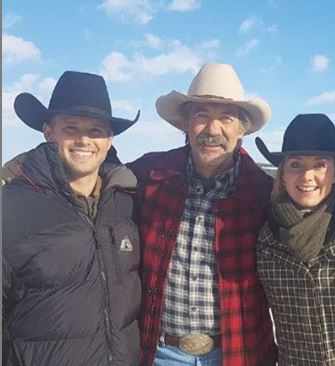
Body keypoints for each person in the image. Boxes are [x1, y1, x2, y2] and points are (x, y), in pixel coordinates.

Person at [127, 63, 277, 366]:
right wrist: (26, 166)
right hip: (160, 353)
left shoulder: (264, 192)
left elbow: (312, 206)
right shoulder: (149, 176)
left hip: (237, 353)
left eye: (226, 118)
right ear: (185, 124)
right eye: (201, 116)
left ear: (241, 129)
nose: (212, 130)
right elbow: (95, 177)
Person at [2, 71, 142, 365]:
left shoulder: (125, 202)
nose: (83, 140)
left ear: (108, 140)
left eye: (95, 130)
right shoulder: (10, 207)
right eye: (71, 128)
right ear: (48, 131)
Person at [254, 113, 335, 365]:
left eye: (319, 165)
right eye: (295, 165)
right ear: (282, 174)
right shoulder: (266, 242)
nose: (307, 176)